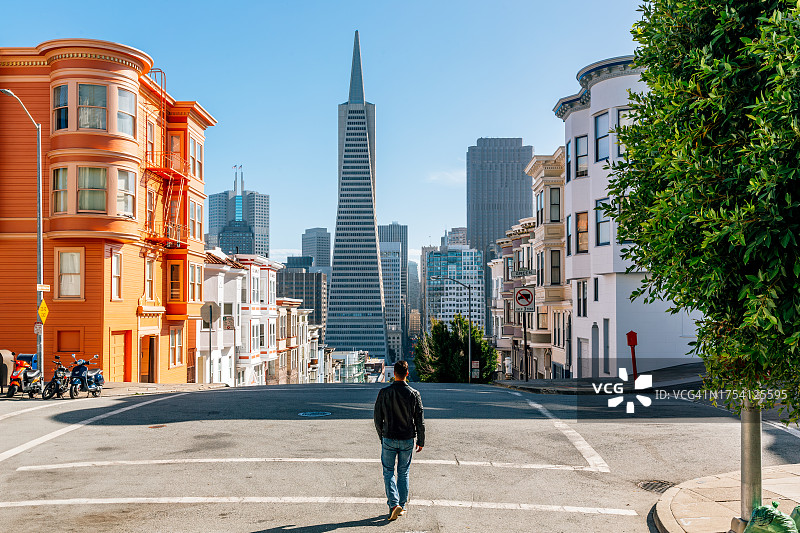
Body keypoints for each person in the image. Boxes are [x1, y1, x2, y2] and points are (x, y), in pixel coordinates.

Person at [373, 360, 425, 521]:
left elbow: (377, 417)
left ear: (394, 374)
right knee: (403, 472)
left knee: (388, 472)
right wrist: (421, 440)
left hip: (389, 436)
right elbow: (419, 419)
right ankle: (401, 505)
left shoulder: (384, 392)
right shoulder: (414, 394)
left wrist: (382, 435)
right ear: (407, 374)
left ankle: (394, 504)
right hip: (407, 438)